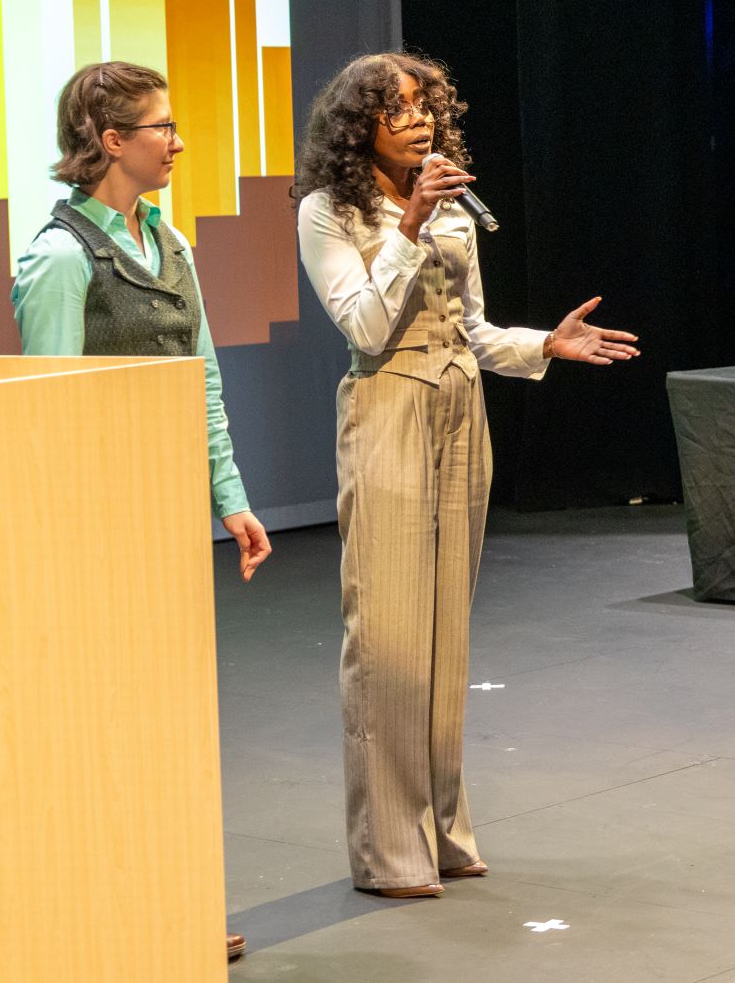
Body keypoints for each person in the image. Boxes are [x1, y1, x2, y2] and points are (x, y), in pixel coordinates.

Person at [294, 52, 638, 898]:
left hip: (460, 407)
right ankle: (388, 849)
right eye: (397, 108)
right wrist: (407, 227)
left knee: (446, 634)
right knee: (390, 637)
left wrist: (543, 347)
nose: (418, 119)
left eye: (425, 105)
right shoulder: (328, 211)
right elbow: (368, 327)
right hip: (388, 406)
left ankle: (441, 827)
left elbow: (473, 327)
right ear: (358, 126)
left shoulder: (449, 207)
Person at [11, 60, 271, 965]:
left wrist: (229, 497)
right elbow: (47, 415)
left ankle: (179, 901)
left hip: (163, 520)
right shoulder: (57, 256)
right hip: (95, 531)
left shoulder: (173, 245)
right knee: (100, 721)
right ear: (110, 141)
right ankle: (101, 908)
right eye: (161, 126)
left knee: (173, 720)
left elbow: (202, 379)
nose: (178, 140)